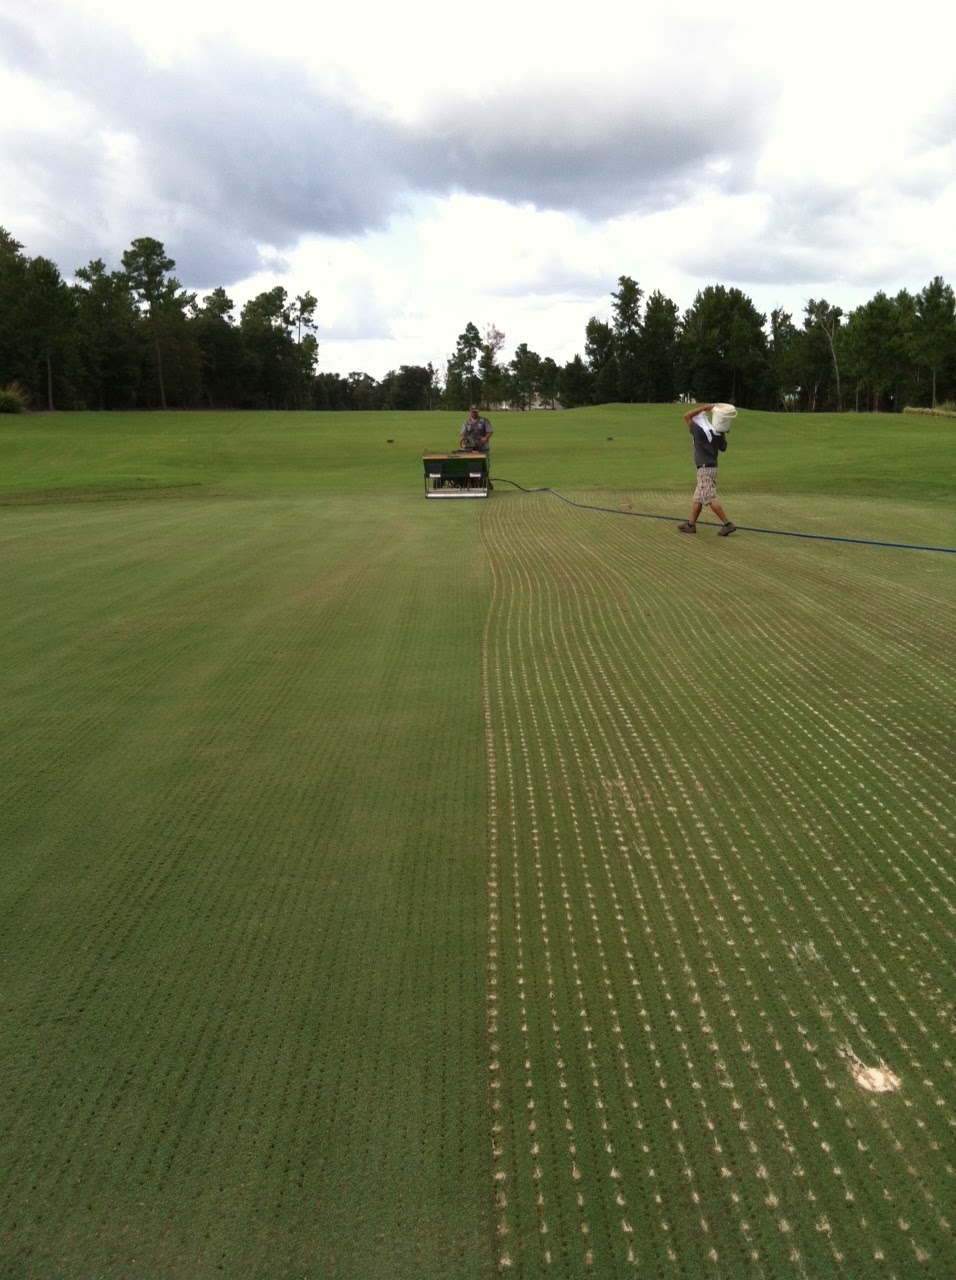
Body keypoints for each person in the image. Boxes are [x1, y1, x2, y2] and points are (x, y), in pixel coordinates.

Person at [678, 403, 736, 536]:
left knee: (709, 498)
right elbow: (723, 447)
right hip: (711, 468)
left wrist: (705, 408)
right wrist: (722, 431)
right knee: (698, 498)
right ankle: (691, 525)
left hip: (704, 469)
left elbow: (687, 416)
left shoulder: (698, 431)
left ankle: (727, 524)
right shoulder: (715, 432)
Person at [460, 405, 494, 489]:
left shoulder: (484, 421)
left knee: (483, 467)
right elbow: (462, 435)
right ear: (469, 412)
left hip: (482, 448)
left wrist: (485, 438)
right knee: (470, 466)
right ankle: (471, 483)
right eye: (472, 411)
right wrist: (463, 443)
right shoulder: (466, 423)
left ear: (478, 412)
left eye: (475, 411)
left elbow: (490, 431)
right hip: (470, 449)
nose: (474, 413)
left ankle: (485, 481)